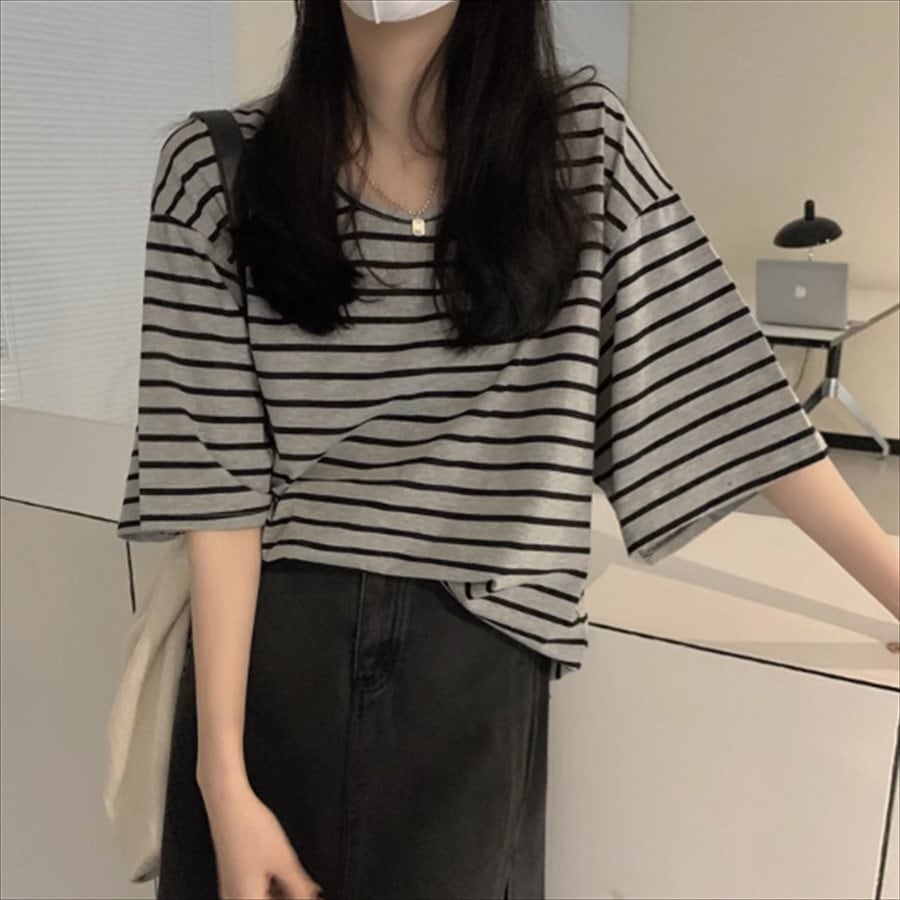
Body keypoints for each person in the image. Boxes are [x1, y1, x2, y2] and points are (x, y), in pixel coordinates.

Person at [115, 1, 900, 898]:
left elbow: (725, 388)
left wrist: (890, 579)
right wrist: (221, 775)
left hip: (475, 668)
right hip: (271, 663)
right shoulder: (216, 169)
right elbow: (218, 488)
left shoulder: (582, 152)